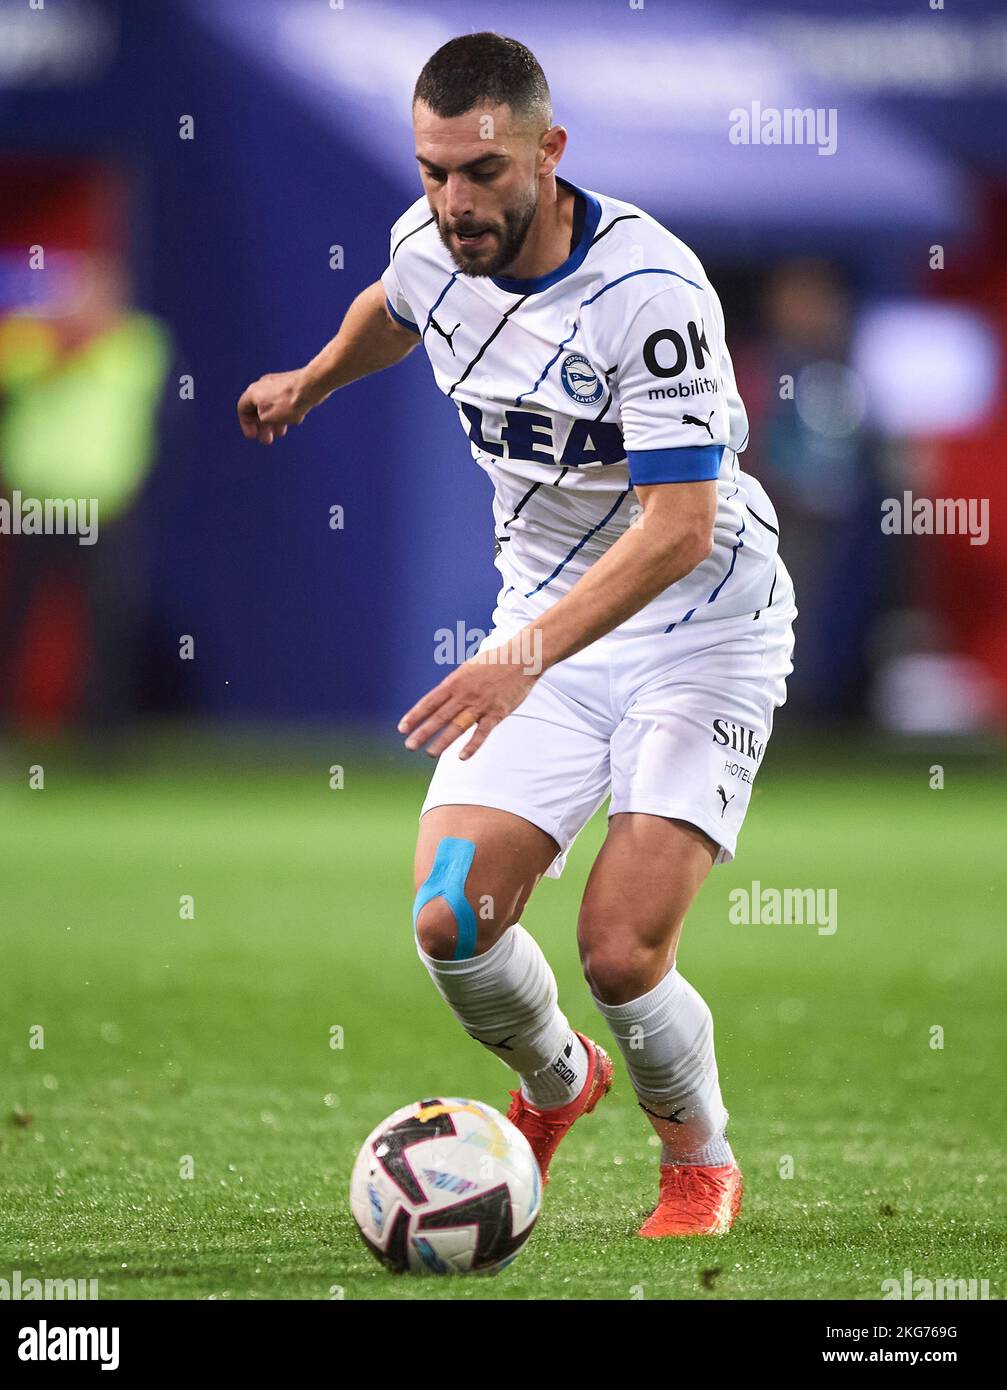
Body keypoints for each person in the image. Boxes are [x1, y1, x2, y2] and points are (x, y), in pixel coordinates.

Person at [237, 32, 795, 1237]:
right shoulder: (428, 244)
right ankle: (558, 1078)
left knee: (616, 953)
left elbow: (678, 530)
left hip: (702, 631)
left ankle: (697, 1160)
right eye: (433, 171)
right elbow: (393, 308)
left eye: (482, 172)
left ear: (548, 151)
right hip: (542, 633)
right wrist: (313, 379)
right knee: (448, 918)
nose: (454, 202)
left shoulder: (649, 291)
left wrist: (523, 652)